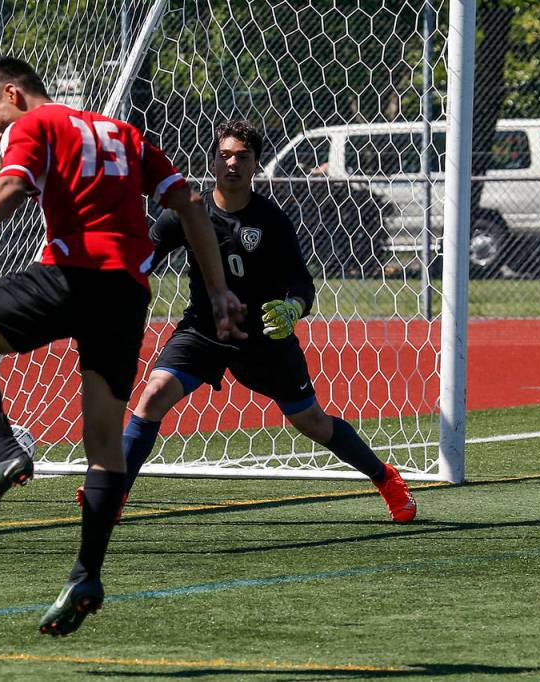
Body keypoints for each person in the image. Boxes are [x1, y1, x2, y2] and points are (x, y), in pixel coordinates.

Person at [0, 57, 243, 636]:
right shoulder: (125, 132)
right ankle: (86, 574)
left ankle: (3, 447)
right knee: (104, 445)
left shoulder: (33, 125)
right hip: (126, 293)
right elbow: (190, 202)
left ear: (12, 95)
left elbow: (14, 183)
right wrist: (218, 292)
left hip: (70, 273)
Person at [91, 119, 416, 524]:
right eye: (225, 155)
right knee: (153, 396)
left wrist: (292, 309)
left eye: (242, 157)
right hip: (204, 331)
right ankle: (114, 493)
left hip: (263, 339)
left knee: (311, 422)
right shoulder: (187, 213)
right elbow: (144, 259)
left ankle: (385, 478)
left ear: (255, 165)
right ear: (212, 160)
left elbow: (301, 283)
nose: (232, 163)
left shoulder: (272, 221)